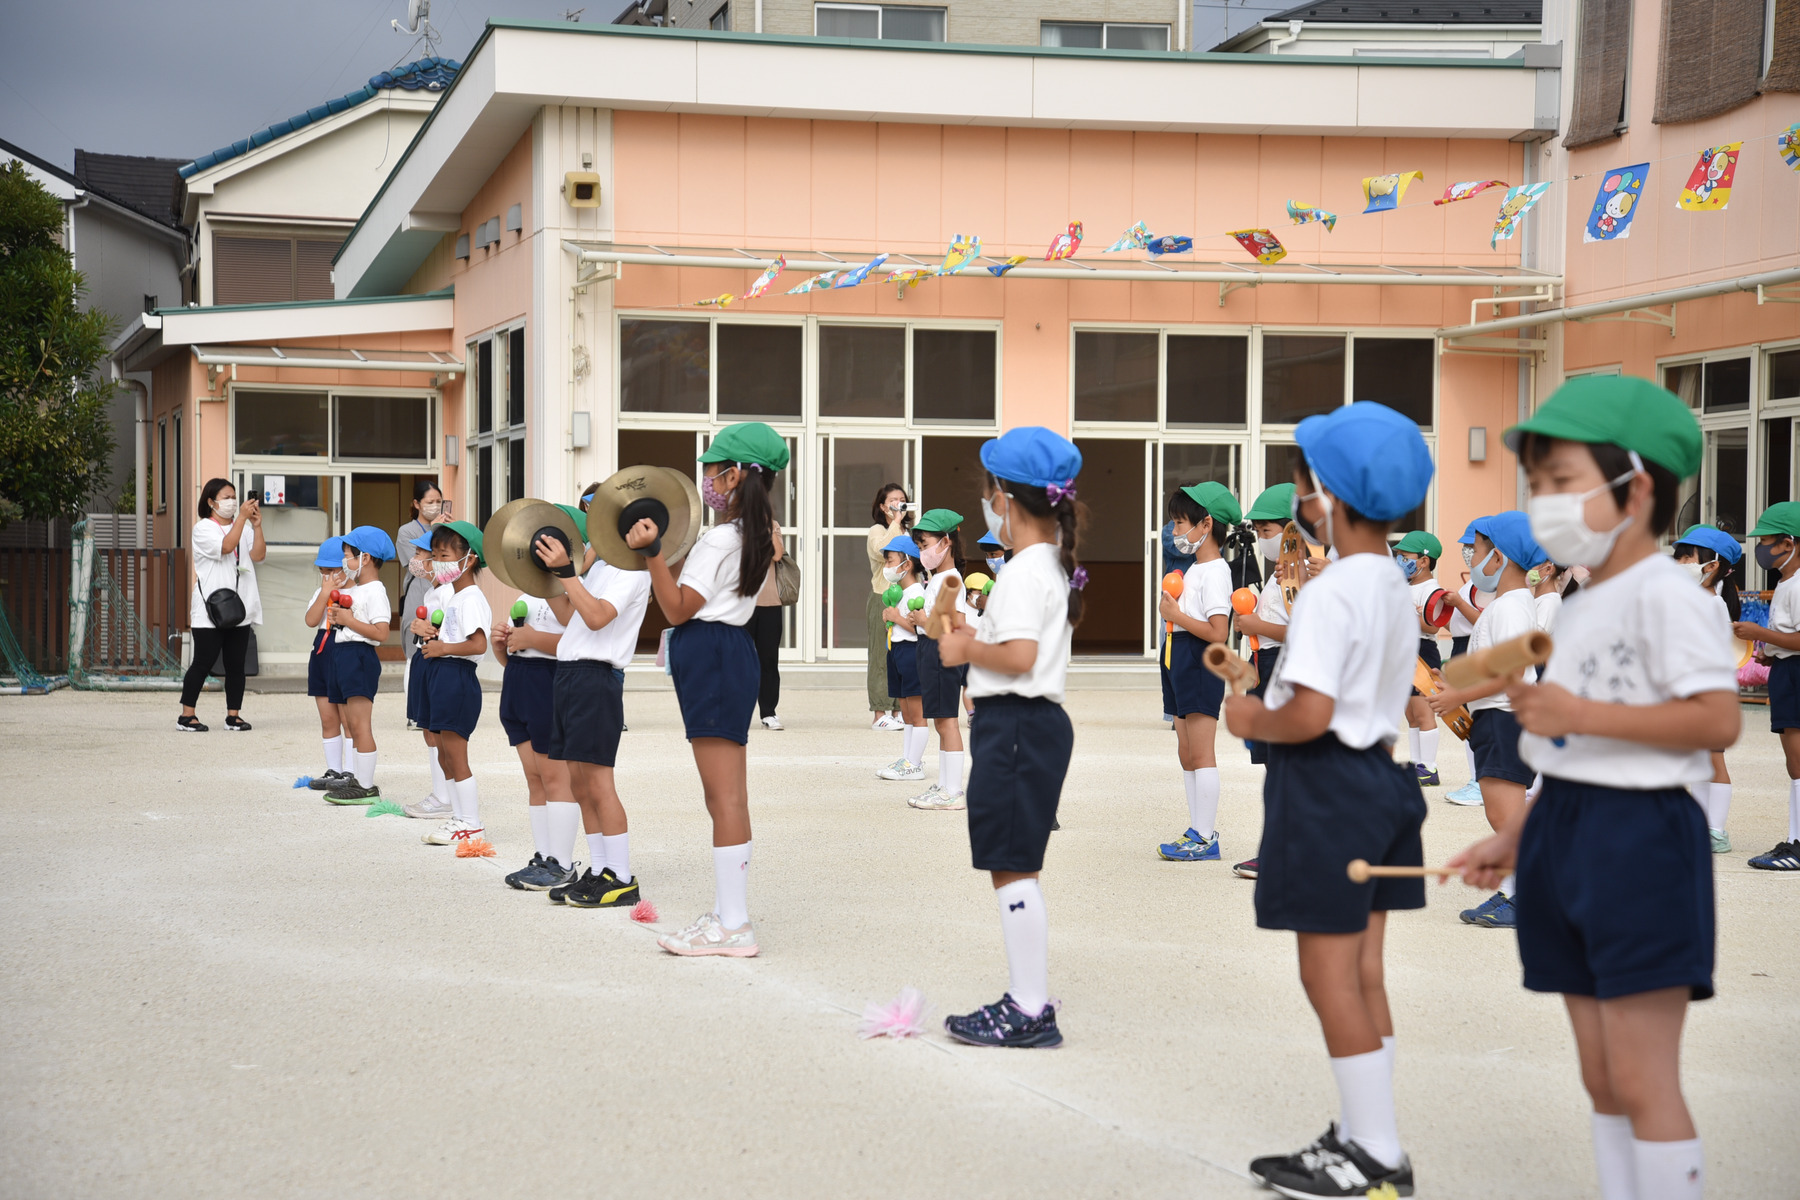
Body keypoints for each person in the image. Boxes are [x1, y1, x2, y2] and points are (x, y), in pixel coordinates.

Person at [1450, 375, 1738, 1200]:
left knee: (1644, 1078)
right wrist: (1517, 835)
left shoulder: (1668, 596)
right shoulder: (1573, 605)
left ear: (1635, 485)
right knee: (1602, 1077)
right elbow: (1571, 752)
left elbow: (1716, 720)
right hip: (1566, 829)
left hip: (1642, 837)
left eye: (1561, 484)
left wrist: (1583, 710)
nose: (1543, 505)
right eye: (1536, 487)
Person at [1223, 401, 1434, 1199]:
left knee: (1328, 978)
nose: (1297, 500)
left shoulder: (1329, 591)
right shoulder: (1388, 581)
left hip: (1327, 792)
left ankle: (1374, 1153)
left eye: (1302, 484)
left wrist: (1245, 712)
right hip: (1381, 785)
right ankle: (1365, 1132)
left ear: (1329, 497)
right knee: (1367, 972)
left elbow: (1305, 716)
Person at [934, 427, 1082, 1048]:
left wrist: (963, 646)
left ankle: (1028, 1008)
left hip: (1018, 725)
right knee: (1013, 864)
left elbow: (1019, 654)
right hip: (1025, 724)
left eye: (989, 489)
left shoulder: (1024, 571)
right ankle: (1027, 1000)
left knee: (1014, 868)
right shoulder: (1049, 563)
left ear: (1006, 498)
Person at [629, 422, 788, 956]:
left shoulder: (723, 538)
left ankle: (734, 924)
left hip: (713, 657)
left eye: (713, 468)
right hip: (727, 653)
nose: (706, 479)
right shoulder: (755, 535)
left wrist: (651, 553)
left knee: (723, 796)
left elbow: (675, 607)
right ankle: (727, 914)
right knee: (726, 794)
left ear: (737, 474)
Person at [1426, 511, 1545, 929]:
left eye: (1475, 549)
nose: (1471, 558)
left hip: (1505, 720)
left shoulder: (1511, 607)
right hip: (1498, 719)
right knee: (1502, 816)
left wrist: (1458, 695)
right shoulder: (1505, 606)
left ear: (1499, 557)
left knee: (1505, 818)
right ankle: (1514, 891)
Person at [536, 504, 654, 908]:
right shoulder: (601, 568)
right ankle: (600, 868)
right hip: (570, 675)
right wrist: (550, 579)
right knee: (580, 784)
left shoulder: (634, 572)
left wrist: (569, 574)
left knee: (599, 783)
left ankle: (621, 877)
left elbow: (599, 616)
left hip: (596, 679)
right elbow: (572, 614)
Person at [1157, 481, 1240, 863]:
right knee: (1186, 751)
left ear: (1205, 524)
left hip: (1200, 661)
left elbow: (1218, 633)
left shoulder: (1216, 571)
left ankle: (1205, 836)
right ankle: (1195, 831)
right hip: (1177, 657)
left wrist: (1175, 615)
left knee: (1202, 752)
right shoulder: (1195, 568)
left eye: (1179, 523)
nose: (1175, 531)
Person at [1226, 482, 1296, 881]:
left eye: (1268, 532)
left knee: (1284, 767)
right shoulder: (1278, 573)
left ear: (1290, 532)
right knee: (1274, 764)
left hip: (1281, 667)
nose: (1263, 540)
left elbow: (1304, 630)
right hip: (1264, 665)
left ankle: (1280, 852)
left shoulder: (1298, 577)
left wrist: (1256, 624)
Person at [493, 551, 573, 890]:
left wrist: (531, 639)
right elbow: (513, 652)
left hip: (548, 684)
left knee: (555, 777)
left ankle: (562, 863)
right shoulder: (527, 594)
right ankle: (542, 856)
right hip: (519, 684)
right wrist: (503, 644)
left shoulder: (569, 595)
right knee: (534, 777)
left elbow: (578, 642)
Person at [412, 521, 491, 846]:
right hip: (441, 674)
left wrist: (443, 647)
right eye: (436, 555)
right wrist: (435, 635)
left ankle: (471, 822)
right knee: (444, 753)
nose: (438, 562)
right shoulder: (454, 597)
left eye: (445, 555)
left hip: (456, 678)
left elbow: (478, 644)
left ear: (469, 559)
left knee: (456, 755)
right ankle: (459, 818)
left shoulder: (471, 597)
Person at [1732, 502, 1800, 872]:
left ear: (1789, 543)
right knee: (1793, 759)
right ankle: (1795, 838)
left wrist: (1759, 634)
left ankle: (1798, 844)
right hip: (1786, 670)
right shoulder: (1786, 580)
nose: (1761, 548)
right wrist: (1771, 653)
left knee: (1797, 758)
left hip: (1796, 673)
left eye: (1769, 541)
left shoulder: (1798, 582)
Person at [1673, 524, 1742, 853]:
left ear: (1712, 565)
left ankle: (1715, 830)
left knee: (1713, 760)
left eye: (1686, 557)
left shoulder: (1713, 605)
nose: (1679, 564)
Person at [178, 478, 265, 732]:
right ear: (210, 501)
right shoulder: (203, 528)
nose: (232, 502)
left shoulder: (245, 528)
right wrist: (241, 520)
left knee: (236, 665)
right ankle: (186, 715)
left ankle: (233, 715)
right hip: (210, 610)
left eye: (234, 497)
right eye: (226, 498)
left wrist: (256, 526)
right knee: (203, 662)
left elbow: (259, 555)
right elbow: (226, 547)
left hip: (240, 608)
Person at [907, 509, 978, 810]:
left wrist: (923, 620)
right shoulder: (940, 578)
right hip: (932, 651)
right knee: (941, 720)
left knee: (947, 721)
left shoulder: (951, 580)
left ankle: (953, 791)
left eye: (925, 544)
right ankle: (946, 785)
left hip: (941, 653)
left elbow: (954, 621)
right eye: (921, 546)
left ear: (946, 543)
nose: (923, 551)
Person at [323, 526, 396, 803]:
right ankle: (356, 777)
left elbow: (381, 632)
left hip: (360, 656)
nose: (345, 562)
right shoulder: (360, 588)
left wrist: (348, 620)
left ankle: (366, 785)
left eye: (348, 556)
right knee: (350, 723)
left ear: (365, 558)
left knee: (360, 723)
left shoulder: (375, 590)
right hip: (343, 653)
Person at [400, 533, 454, 820]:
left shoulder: (448, 593)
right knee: (428, 732)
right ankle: (440, 794)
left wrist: (430, 631)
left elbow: (452, 632)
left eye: (421, 554)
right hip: (424, 659)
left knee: (438, 733)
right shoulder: (432, 591)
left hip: (437, 662)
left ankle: (445, 798)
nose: (416, 560)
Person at [1441, 519, 1491, 805]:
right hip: (1462, 646)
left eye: (1472, 546)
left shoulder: (1487, 582)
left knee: (1476, 717)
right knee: (1467, 717)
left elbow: (1483, 620)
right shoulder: (1475, 579)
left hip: (1475, 646)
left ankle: (1480, 780)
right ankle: (1476, 778)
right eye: (1466, 547)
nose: (1467, 551)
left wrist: (1459, 604)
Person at [1394, 530, 1447, 787]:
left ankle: (1429, 766)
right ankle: (1416, 764)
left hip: (1422, 652)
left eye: (1405, 556)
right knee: (1411, 714)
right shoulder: (1403, 587)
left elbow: (1432, 626)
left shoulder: (1432, 589)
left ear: (1424, 560)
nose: (1400, 561)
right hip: (1402, 651)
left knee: (1424, 711)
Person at [875, 535, 928, 782]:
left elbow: (921, 628)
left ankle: (914, 764)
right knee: (906, 712)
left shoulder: (917, 591)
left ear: (906, 564)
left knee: (917, 714)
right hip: (897, 650)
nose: (886, 567)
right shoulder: (901, 592)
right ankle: (907, 759)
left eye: (890, 561)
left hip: (912, 652)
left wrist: (896, 618)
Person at [301, 536, 352, 788]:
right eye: (323, 571)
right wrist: (324, 593)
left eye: (333, 570)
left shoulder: (357, 591)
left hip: (344, 648)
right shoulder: (319, 592)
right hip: (322, 650)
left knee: (348, 716)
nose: (328, 576)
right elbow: (311, 620)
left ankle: (351, 772)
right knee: (328, 717)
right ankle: (334, 769)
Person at [866, 484, 913, 731]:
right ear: (883, 506)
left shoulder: (909, 531)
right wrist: (896, 521)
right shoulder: (878, 530)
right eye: (893, 500)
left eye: (902, 499)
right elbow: (881, 550)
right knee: (880, 655)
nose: (898, 503)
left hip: (906, 598)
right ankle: (879, 713)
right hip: (882, 597)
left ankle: (898, 710)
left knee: (901, 653)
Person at [750, 516, 787, 731]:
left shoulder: (771, 525)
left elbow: (777, 554)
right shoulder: (736, 525)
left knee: (769, 660)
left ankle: (768, 712)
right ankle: (737, 711)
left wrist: (768, 527)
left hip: (770, 603)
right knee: (738, 660)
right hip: (740, 604)